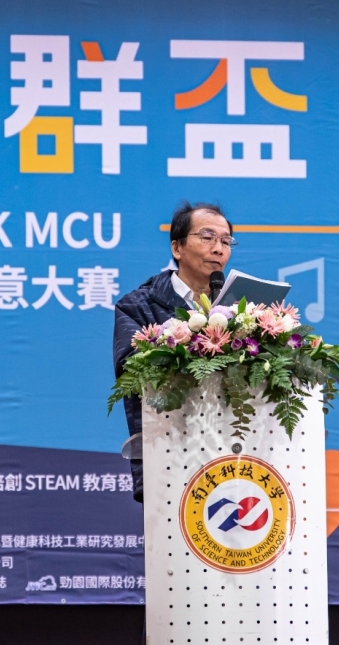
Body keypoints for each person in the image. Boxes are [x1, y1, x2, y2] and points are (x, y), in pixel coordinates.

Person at [112, 201, 236, 502]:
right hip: (170, 456)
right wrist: (188, 339)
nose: (218, 249)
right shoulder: (138, 306)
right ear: (177, 247)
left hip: (240, 459)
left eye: (225, 241)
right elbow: (131, 370)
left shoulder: (241, 309)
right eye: (207, 237)